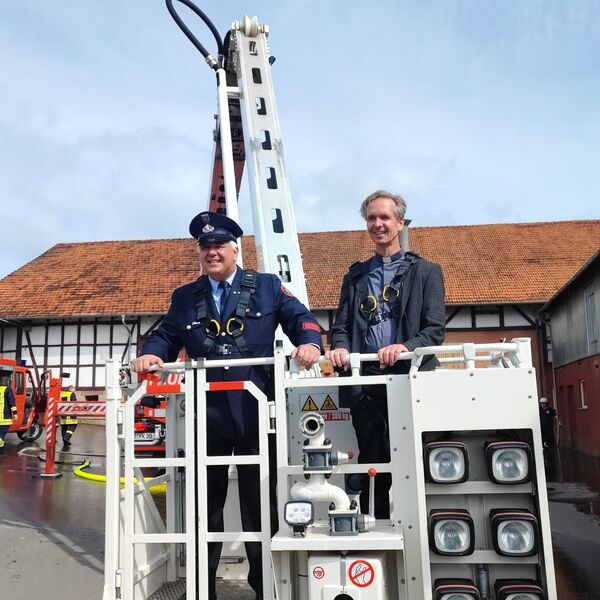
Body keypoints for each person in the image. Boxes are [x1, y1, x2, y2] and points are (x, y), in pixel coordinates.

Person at [130, 211, 322, 600]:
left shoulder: (267, 287)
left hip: (256, 413)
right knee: (205, 505)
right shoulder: (185, 297)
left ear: (236, 249)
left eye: (218, 245)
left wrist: (310, 344)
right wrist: (150, 354)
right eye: (205, 246)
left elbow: (301, 318)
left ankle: (265, 586)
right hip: (207, 414)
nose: (211, 252)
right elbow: (166, 334)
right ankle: (203, 588)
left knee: (259, 502)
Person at [326, 190, 445, 519]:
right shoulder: (355, 277)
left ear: (400, 222)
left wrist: (404, 347)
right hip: (366, 381)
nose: (378, 224)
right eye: (371, 218)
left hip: (410, 380)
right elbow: (341, 326)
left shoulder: (427, 272)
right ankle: (374, 526)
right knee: (371, 456)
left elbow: (434, 330)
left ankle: (416, 526)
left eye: (385, 217)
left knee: (411, 455)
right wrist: (340, 348)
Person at [0, 375, 17, 452]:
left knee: (1, 437)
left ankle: (2, 451)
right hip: (5, 419)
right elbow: (12, 403)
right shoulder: (8, 390)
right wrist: (15, 414)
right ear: (7, 382)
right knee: (1, 436)